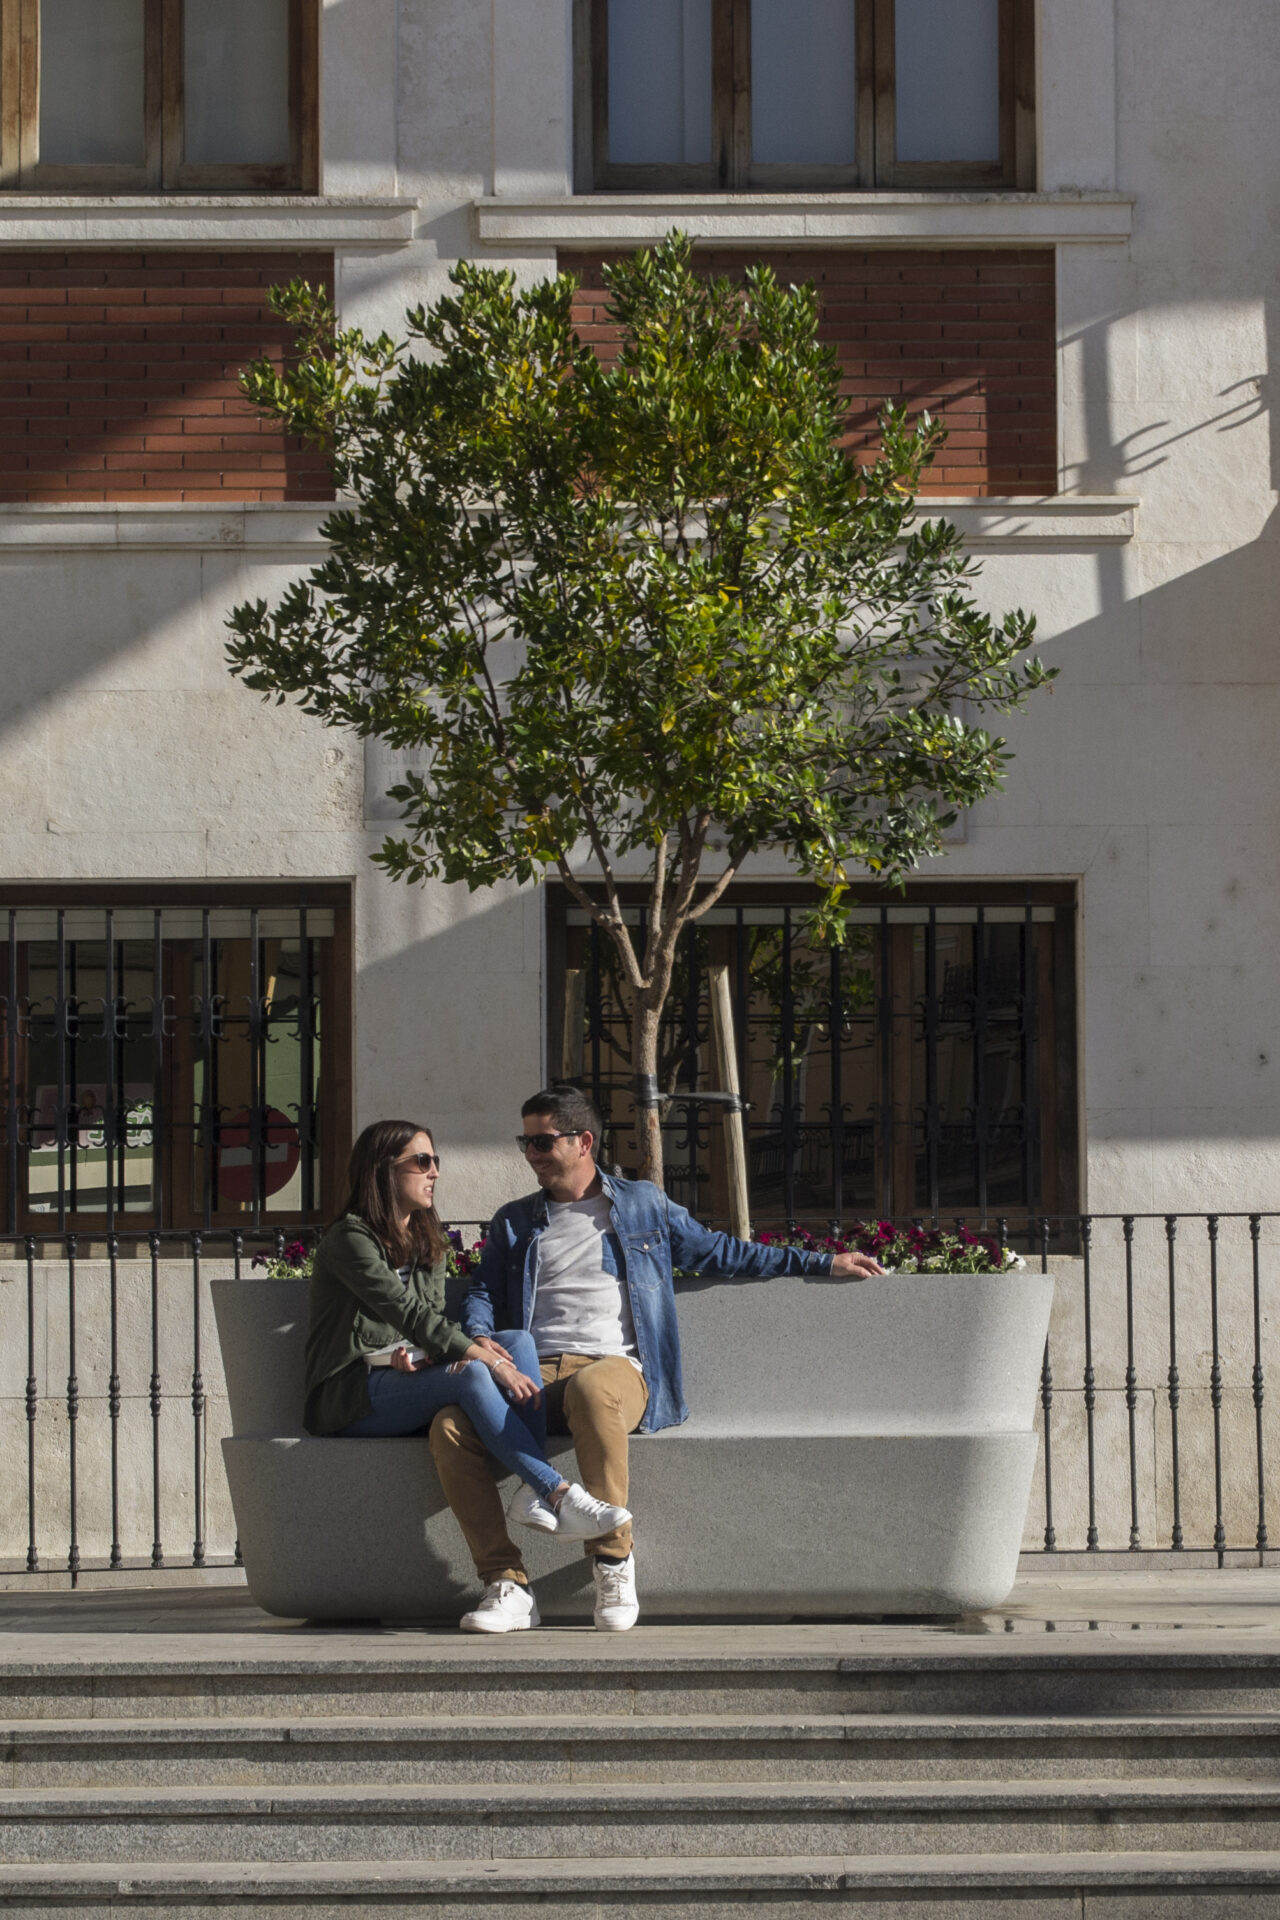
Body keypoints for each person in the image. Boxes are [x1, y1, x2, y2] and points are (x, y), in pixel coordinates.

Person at [428, 1085, 884, 1635]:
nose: (531, 1154)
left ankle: (614, 1562)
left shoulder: (641, 1204)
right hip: (533, 1368)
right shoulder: (515, 1220)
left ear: (584, 1141)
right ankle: (507, 1583)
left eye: (543, 1141)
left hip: (614, 1369)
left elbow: (723, 1252)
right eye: (525, 1142)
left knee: (593, 1389)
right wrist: (479, 1338)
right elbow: (481, 1291)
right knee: (451, 1426)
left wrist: (823, 1261)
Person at [302, 1117, 630, 1632]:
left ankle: (534, 1493)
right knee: (478, 1374)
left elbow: (426, 1322)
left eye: (436, 1161)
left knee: (518, 1341)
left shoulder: (428, 1237)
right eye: (421, 1162)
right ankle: (554, 1492)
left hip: (402, 1377)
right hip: (350, 1393)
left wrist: (435, 1353)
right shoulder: (350, 1238)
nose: (434, 1172)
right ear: (383, 1172)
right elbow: (401, 1313)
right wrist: (481, 1359)